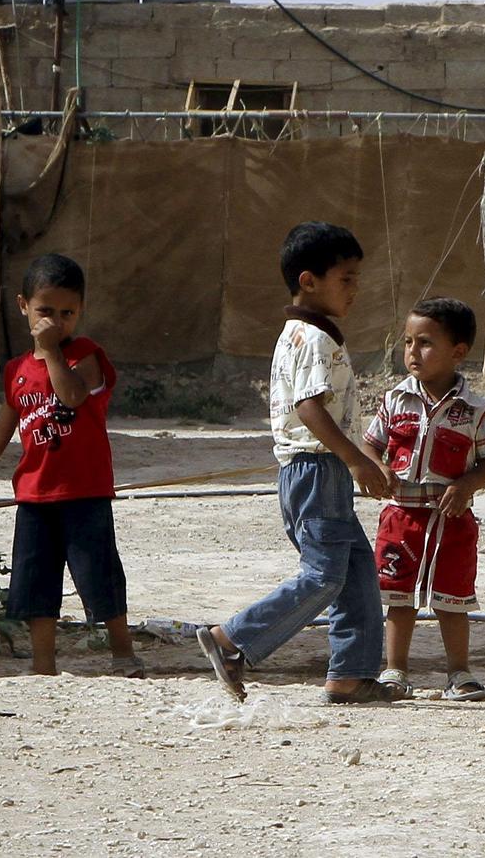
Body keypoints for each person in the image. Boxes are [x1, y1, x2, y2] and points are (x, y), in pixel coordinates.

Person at [196, 222, 401, 704]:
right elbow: (310, 409)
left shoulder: (306, 333)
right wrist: (354, 461)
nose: (356, 289)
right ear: (309, 281)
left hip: (316, 471)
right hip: (317, 470)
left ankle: (350, 674)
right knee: (325, 575)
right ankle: (231, 640)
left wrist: (360, 457)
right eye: (346, 278)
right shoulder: (313, 338)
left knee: (355, 576)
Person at [0, 253, 142, 678]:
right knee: (37, 582)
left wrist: (52, 350)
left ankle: (123, 652)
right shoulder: (16, 370)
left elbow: (73, 396)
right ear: (23, 306)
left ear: (81, 311)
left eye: (67, 313)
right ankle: (43, 664)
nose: (55, 321)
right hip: (35, 493)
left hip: (84, 490)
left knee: (99, 574)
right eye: (45, 312)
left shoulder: (85, 355)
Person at [368, 296, 485, 702]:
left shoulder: (476, 411)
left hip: (451, 521)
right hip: (401, 517)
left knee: (453, 599)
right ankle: (395, 671)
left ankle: (459, 673)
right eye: (409, 342)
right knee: (399, 596)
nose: (413, 352)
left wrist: (465, 487)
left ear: (458, 352)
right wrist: (377, 468)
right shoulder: (394, 401)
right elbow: (371, 446)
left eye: (425, 342)